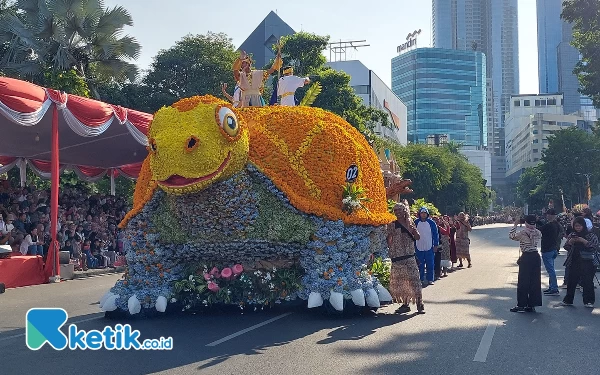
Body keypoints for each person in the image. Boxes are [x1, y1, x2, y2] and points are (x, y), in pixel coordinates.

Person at [387, 203, 424, 313]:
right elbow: (388, 239)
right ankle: (405, 304)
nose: (397, 212)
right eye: (395, 210)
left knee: (414, 280)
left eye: (399, 209)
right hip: (397, 257)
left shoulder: (410, 222)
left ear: (404, 211)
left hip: (409, 256)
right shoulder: (391, 224)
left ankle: (419, 303)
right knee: (401, 282)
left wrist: (414, 230)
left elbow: (417, 237)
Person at [559, 216, 597, 308]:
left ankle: (589, 301)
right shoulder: (572, 234)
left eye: (579, 226)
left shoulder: (590, 235)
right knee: (571, 282)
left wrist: (583, 241)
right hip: (574, 261)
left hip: (588, 262)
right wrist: (570, 242)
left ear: (583, 226)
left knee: (587, 282)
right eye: (576, 226)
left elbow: (594, 247)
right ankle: (568, 300)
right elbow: (566, 247)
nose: (578, 228)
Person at [509, 215, 543, 313]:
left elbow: (511, 236)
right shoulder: (538, 232)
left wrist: (515, 224)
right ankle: (532, 305)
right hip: (536, 257)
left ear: (526, 223)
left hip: (527, 257)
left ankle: (521, 305)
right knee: (535, 281)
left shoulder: (523, 233)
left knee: (523, 281)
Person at [539, 208, 563, 296]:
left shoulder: (549, 225)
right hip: (554, 249)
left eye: (547, 214)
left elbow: (539, 230)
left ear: (550, 215)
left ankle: (554, 288)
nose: (546, 216)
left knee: (551, 270)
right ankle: (551, 287)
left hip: (547, 249)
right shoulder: (557, 225)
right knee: (551, 269)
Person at [414, 207, 439, 286]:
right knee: (420, 264)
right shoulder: (416, 222)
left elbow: (435, 234)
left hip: (429, 247)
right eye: (422, 213)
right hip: (419, 246)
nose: (423, 214)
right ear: (420, 214)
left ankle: (430, 279)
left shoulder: (431, 223)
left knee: (430, 264)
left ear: (427, 214)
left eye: (425, 213)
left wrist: (436, 245)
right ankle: (420, 279)